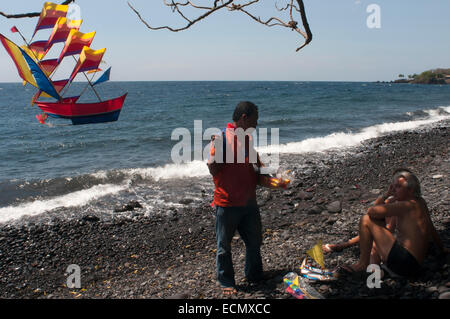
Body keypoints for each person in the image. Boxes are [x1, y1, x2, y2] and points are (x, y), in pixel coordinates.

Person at [207, 101, 286, 296]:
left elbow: (258, 171)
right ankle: (226, 281)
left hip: (249, 202)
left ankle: (254, 274)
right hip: (227, 202)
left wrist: (274, 181)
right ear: (244, 118)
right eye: (254, 121)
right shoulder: (221, 138)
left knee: (254, 241)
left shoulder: (247, 141)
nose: (256, 125)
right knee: (224, 245)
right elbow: (212, 168)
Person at [341, 169, 448, 277]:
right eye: (393, 187)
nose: (394, 190)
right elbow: (431, 228)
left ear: (410, 190)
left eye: (398, 187)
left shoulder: (404, 206)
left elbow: (371, 212)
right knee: (375, 242)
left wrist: (386, 195)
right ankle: (375, 271)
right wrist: (441, 248)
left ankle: (362, 265)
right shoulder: (420, 202)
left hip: (404, 262)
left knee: (366, 219)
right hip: (414, 265)